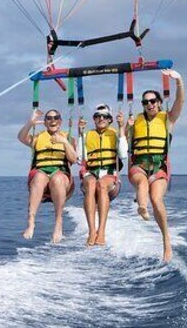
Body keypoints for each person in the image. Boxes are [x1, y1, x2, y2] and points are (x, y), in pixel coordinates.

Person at [127, 69, 185, 262]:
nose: (149, 104)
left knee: (157, 199)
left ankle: (166, 241)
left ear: (159, 103)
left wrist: (178, 82)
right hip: (139, 165)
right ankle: (141, 207)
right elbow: (124, 142)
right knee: (142, 184)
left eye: (153, 101)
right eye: (145, 102)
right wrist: (123, 126)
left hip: (160, 166)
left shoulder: (167, 118)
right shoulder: (135, 121)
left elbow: (179, 103)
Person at [17, 108, 77, 243]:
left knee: (57, 179)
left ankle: (58, 222)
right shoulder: (38, 137)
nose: (53, 120)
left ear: (60, 121)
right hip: (41, 173)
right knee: (39, 177)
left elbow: (73, 159)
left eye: (56, 117)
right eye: (49, 118)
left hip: (60, 174)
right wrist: (30, 123)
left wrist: (64, 142)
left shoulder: (68, 138)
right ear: (45, 122)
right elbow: (21, 137)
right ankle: (31, 222)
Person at [78, 104, 128, 247]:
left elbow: (123, 155)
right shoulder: (87, 135)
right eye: (97, 116)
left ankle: (101, 231)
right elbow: (79, 157)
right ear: (94, 119)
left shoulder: (115, 133)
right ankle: (92, 231)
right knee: (92, 184)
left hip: (109, 174)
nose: (101, 118)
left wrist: (121, 129)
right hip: (91, 174)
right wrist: (80, 134)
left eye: (105, 116)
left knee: (101, 184)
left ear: (110, 119)